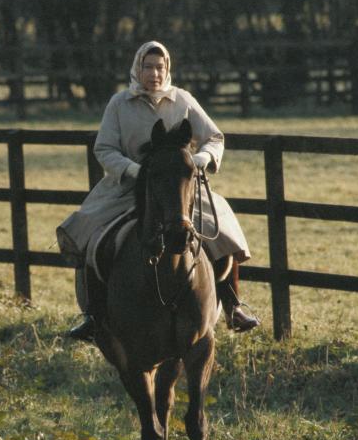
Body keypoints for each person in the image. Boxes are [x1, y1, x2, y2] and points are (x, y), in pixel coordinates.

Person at [57, 41, 259, 341]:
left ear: (168, 69)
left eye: (160, 67)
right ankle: (94, 315)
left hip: (179, 188)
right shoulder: (119, 104)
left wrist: (201, 159)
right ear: (138, 68)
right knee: (91, 234)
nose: (154, 73)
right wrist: (133, 170)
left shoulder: (184, 100)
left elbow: (214, 137)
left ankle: (232, 305)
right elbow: (104, 147)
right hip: (127, 188)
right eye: (148, 67)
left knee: (222, 231)